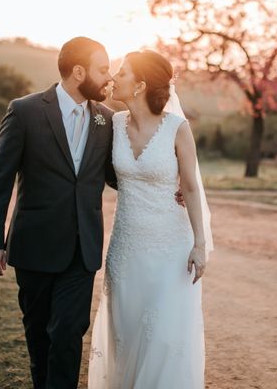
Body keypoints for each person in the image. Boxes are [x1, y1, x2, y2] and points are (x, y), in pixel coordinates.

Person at [0, 36, 117, 389]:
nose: (109, 77)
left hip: (81, 250)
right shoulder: (25, 111)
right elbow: (0, 176)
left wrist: (167, 185)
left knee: (69, 334)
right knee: (40, 338)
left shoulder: (107, 119)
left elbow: (121, 175)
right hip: (34, 247)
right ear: (78, 71)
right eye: (103, 70)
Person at [88, 49, 213, 389]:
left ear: (140, 85)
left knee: (162, 338)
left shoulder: (177, 128)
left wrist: (200, 244)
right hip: (125, 250)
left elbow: (189, 185)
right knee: (125, 335)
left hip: (170, 249)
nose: (114, 78)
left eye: (122, 73)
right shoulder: (112, 124)